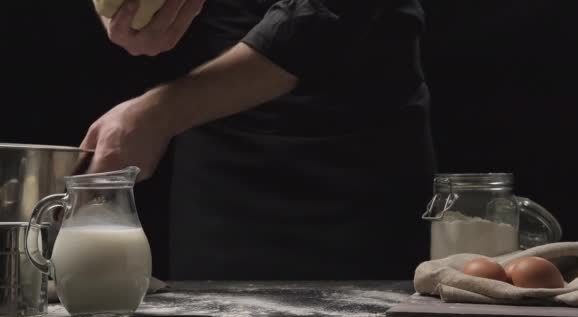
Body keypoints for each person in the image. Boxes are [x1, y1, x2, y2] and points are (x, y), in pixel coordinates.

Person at [81, 0, 436, 280]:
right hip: (219, 146)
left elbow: (321, 16)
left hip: (356, 150)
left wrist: (161, 115)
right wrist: (128, 9)